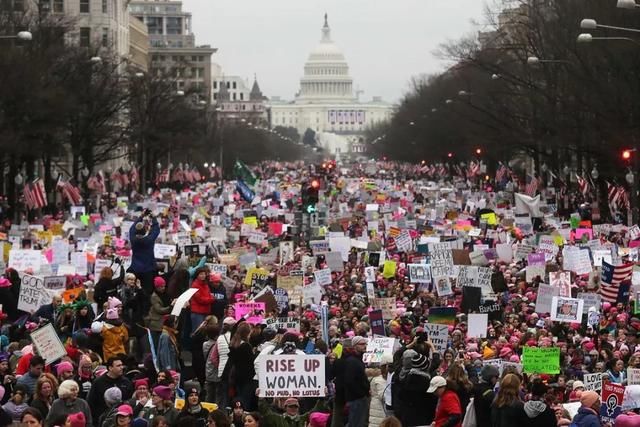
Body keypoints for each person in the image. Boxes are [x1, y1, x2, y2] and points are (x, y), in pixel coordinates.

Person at [129, 210, 160, 312]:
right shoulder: (149, 240)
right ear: (144, 231)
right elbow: (156, 230)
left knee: (135, 291)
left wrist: (141, 216)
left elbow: (131, 229)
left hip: (135, 269)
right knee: (147, 293)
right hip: (148, 270)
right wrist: (154, 218)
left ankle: (136, 309)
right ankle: (146, 311)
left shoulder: (133, 239)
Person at [87, 357, 133, 424]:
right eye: (118, 366)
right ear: (110, 368)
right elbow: (91, 402)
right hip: (103, 419)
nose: (122, 367)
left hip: (123, 420)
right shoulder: (98, 382)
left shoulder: (126, 382)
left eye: (122, 365)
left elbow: (130, 399)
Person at [340, 336, 369, 427]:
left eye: (365, 344)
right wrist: (361, 393)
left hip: (358, 398)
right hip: (356, 399)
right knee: (355, 423)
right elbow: (350, 381)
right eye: (362, 344)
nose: (365, 346)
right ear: (355, 346)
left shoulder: (358, 360)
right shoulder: (352, 361)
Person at [226, 322, 256, 411]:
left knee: (239, 399)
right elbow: (251, 361)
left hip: (237, 376)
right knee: (246, 400)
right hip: (247, 377)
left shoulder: (233, 344)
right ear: (247, 333)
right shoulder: (246, 346)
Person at [146, 277, 173, 351]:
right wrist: (170, 307)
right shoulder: (154, 297)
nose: (163, 288)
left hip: (164, 323)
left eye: (164, 286)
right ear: (157, 287)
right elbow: (159, 310)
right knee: (156, 344)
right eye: (161, 286)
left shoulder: (165, 295)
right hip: (156, 323)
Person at [214, 317, 235, 408]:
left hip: (221, 370)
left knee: (223, 393)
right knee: (231, 393)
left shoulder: (220, 338)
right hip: (231, 369)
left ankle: (222, 410)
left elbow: (214, 356)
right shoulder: (235, 338)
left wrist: (219, 366)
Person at [189, 267, 214, 335]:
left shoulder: (205, 284)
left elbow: (208, 295)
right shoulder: (195, 285)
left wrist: (210, 298)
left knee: (203, 333)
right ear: (197, 275)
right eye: (201, 274)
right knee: (198, 332)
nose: (203, 275)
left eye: (204, 274)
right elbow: (200, 299)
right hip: (197, 313)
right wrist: (211, 299)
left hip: (205, 312)